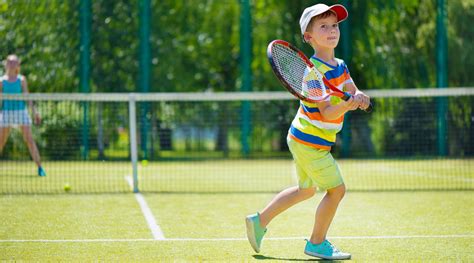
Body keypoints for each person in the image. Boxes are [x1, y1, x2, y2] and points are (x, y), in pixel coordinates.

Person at [246, 4, 370, 260]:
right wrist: (346, 106)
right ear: (308, 37)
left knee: (306, 190)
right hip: (308, 141)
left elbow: (351, 88)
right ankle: (317, 242)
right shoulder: (312, 75)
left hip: (309, 139)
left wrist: (359, 97)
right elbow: (326, 112)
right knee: (336, 190)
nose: (331, 30)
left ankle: (259, 221)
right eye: (323, 26)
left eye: (334, 25)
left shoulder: (341, 66)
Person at [0, 54, 46, 176]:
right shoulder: (1, 81)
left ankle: (40, 168)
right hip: (6, 113)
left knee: (29, 140)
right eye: (10, 62)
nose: (12, 64)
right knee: (1, 142)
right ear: (6, 64)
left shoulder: (21, 80)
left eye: (14, 62)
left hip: (21, 112)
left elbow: (27, 97)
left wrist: (34, 112)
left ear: (18, 65)